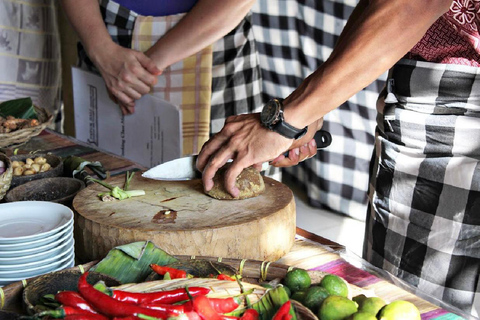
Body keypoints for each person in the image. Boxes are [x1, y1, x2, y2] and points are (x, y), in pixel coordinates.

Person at [197, 0, 480, 313]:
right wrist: (309, 110)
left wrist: (285, 120)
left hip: (456, 99)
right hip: (432, 85)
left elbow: (412, 4)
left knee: (416, 303)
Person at [60, 0, 263, 156]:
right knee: (104, 189)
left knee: (227, 191)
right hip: (107, 46)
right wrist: (101, 49)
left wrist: (146, 69)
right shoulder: (104, 53)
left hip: (215, 45)